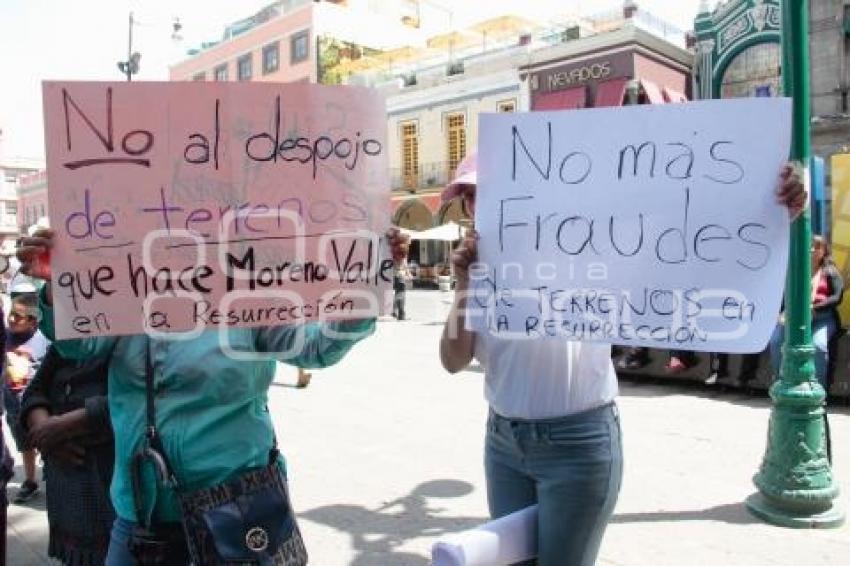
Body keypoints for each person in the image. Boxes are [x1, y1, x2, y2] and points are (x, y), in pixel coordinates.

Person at [438, 153, 806, 565]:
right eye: (468, 197)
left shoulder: (582, 241)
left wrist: (774, 211)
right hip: (504, 444)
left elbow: (688, 248)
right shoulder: (475, 269)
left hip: (578, 443)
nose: (477, 205)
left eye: (485, 192)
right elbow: (452, 360)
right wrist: (464, 285)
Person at [17, 227, 409, 564]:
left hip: (237, 506)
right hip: (143, 514)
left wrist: (368, 282)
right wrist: (58, 284)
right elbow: (78, 347)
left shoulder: (250, 282)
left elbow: (316, 346)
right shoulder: (129, 278)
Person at [20, 347, 115, 564]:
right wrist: (46, 431)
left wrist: (70, 425)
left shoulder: (136, 335)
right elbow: (34, 391)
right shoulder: (65, 341)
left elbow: (144, 395)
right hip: (69, 492)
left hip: (113, 484)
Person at [769, 234, 843, 388]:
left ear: (824, 251)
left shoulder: (830, 271)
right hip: (795, 316)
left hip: (822, 317)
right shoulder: (797, 269)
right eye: (810, 246)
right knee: (776, 341)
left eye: (817, 247)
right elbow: (785, 294)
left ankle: (818, 390)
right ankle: (781, 384)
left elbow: (837, 297)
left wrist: (813, 307)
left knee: (818, 346)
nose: (812, 250)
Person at [3, 293, 49, 504]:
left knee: (45, 440)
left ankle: (51, 468)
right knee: (24, 444)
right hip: (14, 403)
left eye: (18, 317)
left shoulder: (43, 340)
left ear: (33, 321)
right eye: (11, 315)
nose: (12, 320)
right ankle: (30, 480)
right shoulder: (6, 337)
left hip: (38, 404)